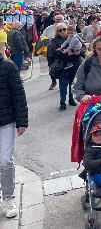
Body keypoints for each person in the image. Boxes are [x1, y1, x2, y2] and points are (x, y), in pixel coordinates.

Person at [0, 54, 28, 219]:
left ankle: (8, 198)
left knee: (5, 161)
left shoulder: (8, 67)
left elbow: (18, 95)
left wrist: (21, 121)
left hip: (6, 121)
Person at [48, 23, 86, 111]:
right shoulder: (54, 41)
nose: (63, 32)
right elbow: (52, 53)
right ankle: (62, 102)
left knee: (73, 83)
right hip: (63, 65)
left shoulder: (76, 37)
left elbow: (83, 48)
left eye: (64, 29)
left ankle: (71, 98)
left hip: (75, 63)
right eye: (60, 30)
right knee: (63, 83)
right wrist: (64, 53)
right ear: (57, 32)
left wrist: (79, 52)